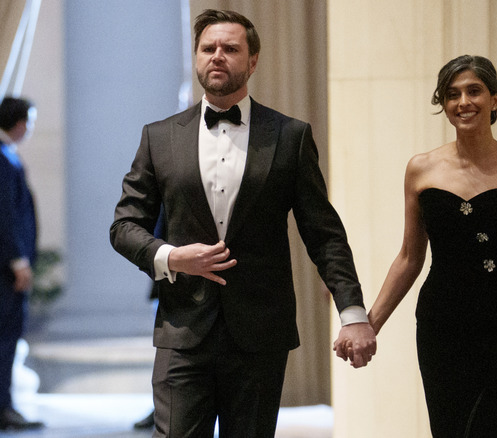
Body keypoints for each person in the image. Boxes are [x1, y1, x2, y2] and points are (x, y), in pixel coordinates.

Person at [110, 9, 376, 437]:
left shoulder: (290, 136)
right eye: (208, 48)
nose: (217, 56)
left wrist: (353, 311)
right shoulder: (158, 137)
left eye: (230, 49)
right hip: (182, 329)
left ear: (252, 61)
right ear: (196, 57)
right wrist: (173, 257)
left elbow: (324, 233)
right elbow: (124, 226)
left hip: (260, 333)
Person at [365, 55, 497, 437]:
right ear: (443, 104)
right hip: (442, 322)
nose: (464, 102)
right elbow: (409, 258)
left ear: (494, 99)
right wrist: (369, 323)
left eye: (474, 91)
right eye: (452, 94)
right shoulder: (421, 169)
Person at [0, 96, 44, 431]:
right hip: (6, 270)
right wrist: (18, 260)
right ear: (17, 122)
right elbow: (7, 215)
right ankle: (3, 406)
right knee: (5, 336)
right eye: (28, 120)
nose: (30, 128)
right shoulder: (2, 159)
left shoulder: (7, 156)